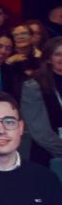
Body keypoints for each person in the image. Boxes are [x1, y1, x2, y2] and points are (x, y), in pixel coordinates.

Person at [20, 37, 62, 177]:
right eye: (58, 54)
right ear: (48, 59)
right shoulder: (33, 85)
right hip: (48, 154)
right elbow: (40, 131)